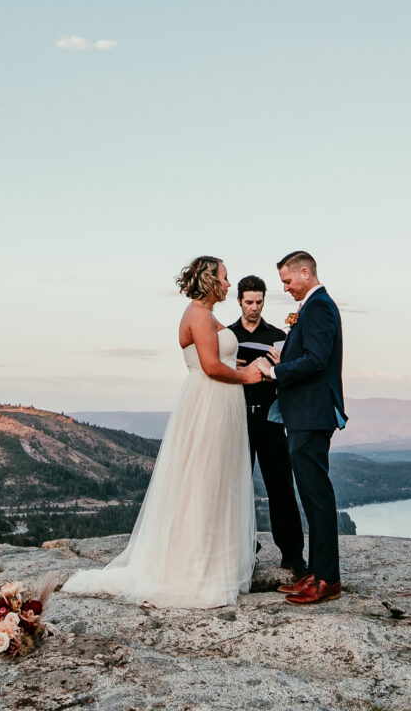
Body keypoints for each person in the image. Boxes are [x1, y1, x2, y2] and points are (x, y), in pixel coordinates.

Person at [61, 256, 272, 609]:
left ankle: (213, 561)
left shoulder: (207, 315)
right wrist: (248, 376)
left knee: (218, 481)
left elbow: (217, 356)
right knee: (202, 481)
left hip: (219, 403)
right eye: (224, 277)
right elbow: (210, 367)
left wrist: (248, 364)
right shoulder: (198, 315)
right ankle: (193, 569)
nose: (228, 283)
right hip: (209, 404)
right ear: (210, 281)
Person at [270, 250, 346, 605]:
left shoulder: (319, 307)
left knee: (317, 496)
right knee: (312, 497)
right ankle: (316, 572)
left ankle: (328, 579)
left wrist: (275, 371)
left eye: (287, 281)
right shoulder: (314, 307)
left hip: (312, 414)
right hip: (305, 414)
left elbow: (316, 360)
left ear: (305, 273)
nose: (284, 288)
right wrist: (284, 355)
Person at [228, 275, 300, 583]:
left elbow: (288, 374)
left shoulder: (277, 335)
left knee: (281, 487)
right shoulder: (228, 335)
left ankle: (293, 554)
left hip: (270, 420)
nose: (254, 307)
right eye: (249, 302)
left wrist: (275, 369)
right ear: (239, 301)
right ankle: (244, 550)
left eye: (259, 302)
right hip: (236, 420)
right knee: (236, 488)